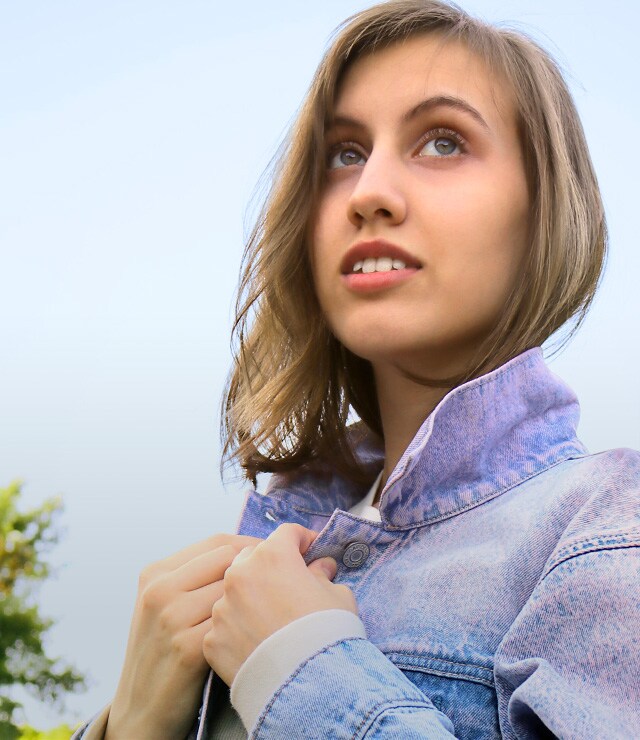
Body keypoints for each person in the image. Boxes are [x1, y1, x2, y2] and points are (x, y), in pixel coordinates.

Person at [73, 0, 640, 737]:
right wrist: (129, 726)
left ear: (543, 211)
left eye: (443, 142)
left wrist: (302, 668)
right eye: (344, 153)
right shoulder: (273, 537)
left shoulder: (605, 530)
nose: (368, 192)